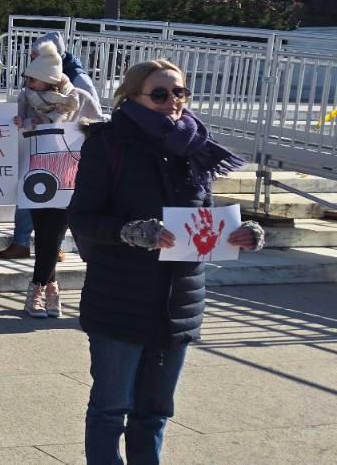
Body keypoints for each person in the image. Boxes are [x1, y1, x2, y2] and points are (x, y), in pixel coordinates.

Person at [70, 59, 264, 465]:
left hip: (179, 302)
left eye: (179, 92)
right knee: (111, 408)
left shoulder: (194, 147)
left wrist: (242, 234)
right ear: (133, 96)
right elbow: (83, 219)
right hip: (120, 298)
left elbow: (204, 217)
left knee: (155, 412)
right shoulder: (107, 143)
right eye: (160, 94)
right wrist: (132, 231)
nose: (172, 101)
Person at [17, 42, 103, 318]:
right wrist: (24, 123)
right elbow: (15, 125)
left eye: (33, 79)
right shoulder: (26, 97)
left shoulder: (79, 97)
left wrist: (82, 130)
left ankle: (38, 287)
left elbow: (98, 130)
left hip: (70, 177)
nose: (27, 82)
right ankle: (49, 286)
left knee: (53, 231)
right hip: (37, 175)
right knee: (45, 233)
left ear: (49, 80)